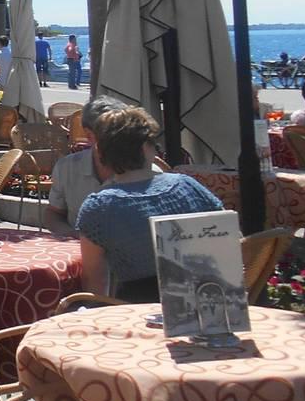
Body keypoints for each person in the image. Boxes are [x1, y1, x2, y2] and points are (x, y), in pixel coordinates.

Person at [76, 106, 223, 301]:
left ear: (103, 154)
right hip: (210, 302)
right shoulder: (187, 185)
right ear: (146, 147)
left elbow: (94, 282)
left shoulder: (99, 207)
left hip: (137, 313)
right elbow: (229, 237)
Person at [45, 97, 123, 236]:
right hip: (79, 250)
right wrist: (72, 235)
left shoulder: (146, 173)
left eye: (122, 132)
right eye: (111, 133)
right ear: (89, 135)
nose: (119, 138)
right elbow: (54, 214)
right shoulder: (67, 168)